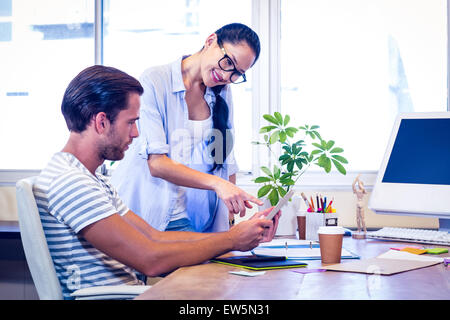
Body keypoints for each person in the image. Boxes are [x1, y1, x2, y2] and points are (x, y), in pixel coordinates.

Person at [34, 65, 280, 299]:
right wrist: (231, 240)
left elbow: (154, 237)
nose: (136, 133)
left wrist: (240, 236)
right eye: (130, 122)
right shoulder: (72, 182)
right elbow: (150, 259)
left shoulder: (92, 179)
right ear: (101, 122)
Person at [110, 23, 263, 232]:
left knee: (220, 264)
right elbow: (156, 164)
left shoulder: (221, 92)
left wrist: (230, 222)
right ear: (210, 41)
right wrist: (218, 185)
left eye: (237, 73)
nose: (228, 76)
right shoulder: (155, 80)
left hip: (186, 214)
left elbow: (226, 160)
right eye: (229, 62)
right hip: (144, 210)